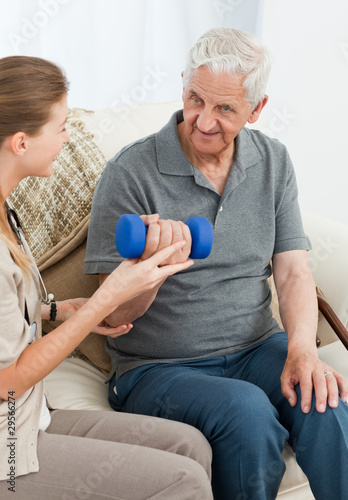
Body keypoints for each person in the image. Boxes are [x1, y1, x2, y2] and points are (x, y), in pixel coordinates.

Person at [85, 27, 348, 499]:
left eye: (225, 108)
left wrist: (302, 350)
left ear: (257, 108)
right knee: (246, 413)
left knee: (324, 398)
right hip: (156, 368)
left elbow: (292, 272)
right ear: (183, 83)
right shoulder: (129, 173)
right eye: (194, 99)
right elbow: (109, 315)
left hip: (256, 348)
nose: (203, 121)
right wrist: (155, 264)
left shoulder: (273, 161)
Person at [0, 56, 214, 500]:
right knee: (183, 480)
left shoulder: (6, 211)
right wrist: (103, 300)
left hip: (29, 417)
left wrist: (58, 310)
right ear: (21, 142)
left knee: (188, 444)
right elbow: (7, 383)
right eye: (60, 126)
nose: (68, 137)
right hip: (7, 448)